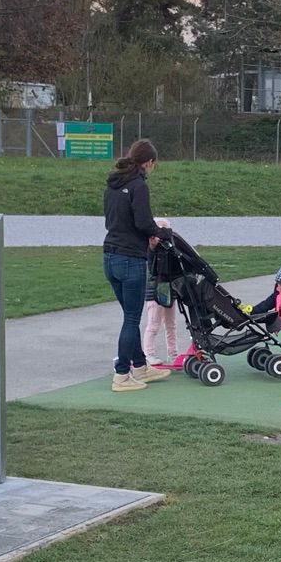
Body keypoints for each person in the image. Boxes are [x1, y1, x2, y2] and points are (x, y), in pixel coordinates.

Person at [101, 139, 172, 392]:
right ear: (149, 162)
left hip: (110, 256)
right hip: (131, 259)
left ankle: (140, 366)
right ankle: (122, 375)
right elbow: (143, 222)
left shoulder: (113, 184)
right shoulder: (138, 186)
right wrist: (159, 233)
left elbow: (115, 219)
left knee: (128, 317)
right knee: (131, 319)